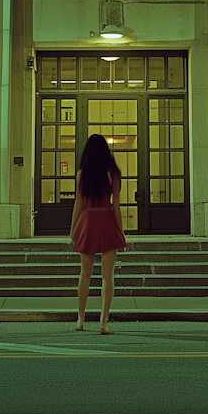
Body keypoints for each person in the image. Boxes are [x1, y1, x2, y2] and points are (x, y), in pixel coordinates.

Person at [70, 132, 126, 333]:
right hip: (106, 220)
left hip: (87, 221)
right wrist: (121, 232)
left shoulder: (81, 174)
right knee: (107, 276)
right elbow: (116, 206)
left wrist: (73, 229)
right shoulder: (113, 174)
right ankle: (103, 322)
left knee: (85, 274)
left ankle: (81, 319)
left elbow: (78, 203)